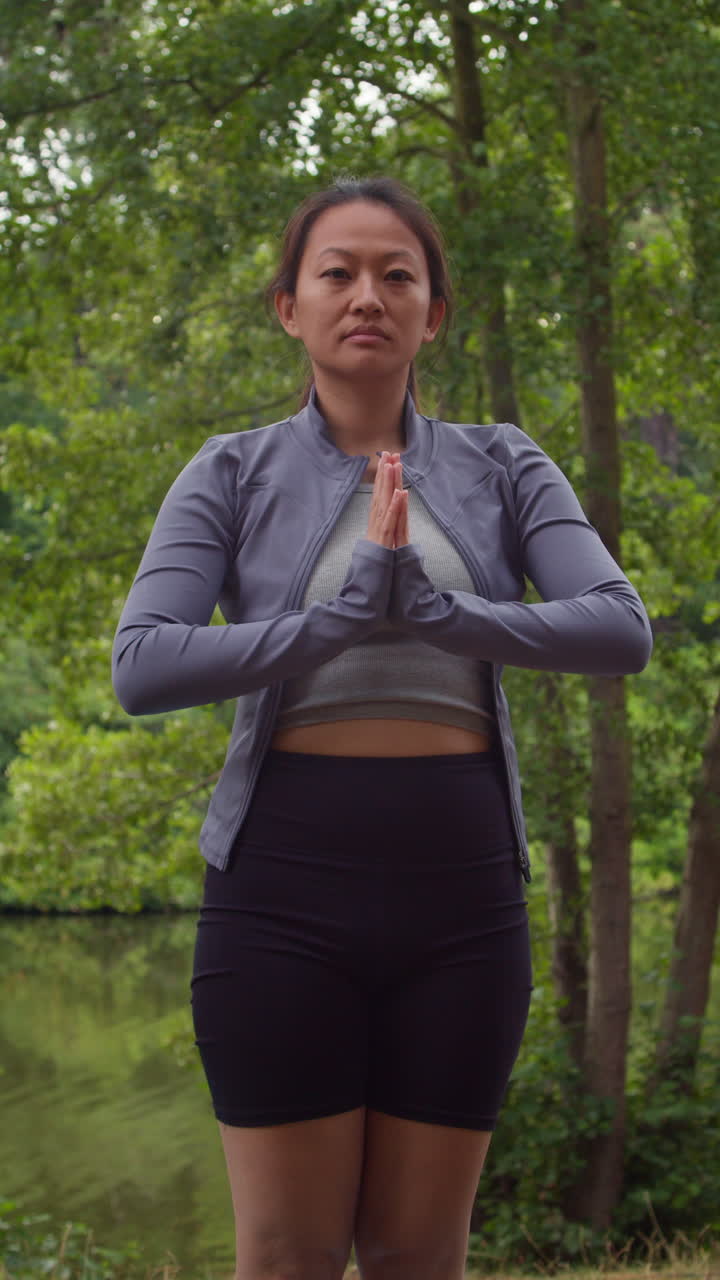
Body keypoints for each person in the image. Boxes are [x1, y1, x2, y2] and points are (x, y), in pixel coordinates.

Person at [112, 176, 652, 1280]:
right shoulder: (230, 469)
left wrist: (443, 611)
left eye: (398, 274)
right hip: (282, 888)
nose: (369, 294)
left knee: (416, 1253)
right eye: (338, 272)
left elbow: (619, 628)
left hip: (462, 892)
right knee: (287, 1252)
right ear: (289, 306)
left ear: (433, 313)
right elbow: (144, 661)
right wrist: (331, 623)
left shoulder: (505, 463)